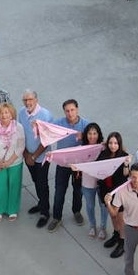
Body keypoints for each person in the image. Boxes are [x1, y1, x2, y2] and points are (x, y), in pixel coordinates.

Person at [44, 99, 90, 231]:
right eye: (67, 111)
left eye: (72, 110)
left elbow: (94, 141)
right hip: (63, 165)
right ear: (64, 112)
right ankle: (57, 218)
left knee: (78, 191)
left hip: (78, 167)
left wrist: (85, 138)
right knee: (59, 192)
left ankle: (76, 211)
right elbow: (47, 130)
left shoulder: (86, 125)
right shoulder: (59, 124)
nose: (70, 113)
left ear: (77, 109)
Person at [19, 90, 53, 224]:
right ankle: (41, 203)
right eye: (25, 100)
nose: (28, 102)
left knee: (42, 183)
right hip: (28, 155)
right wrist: (26, 154)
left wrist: (33, 157)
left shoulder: (45, 115)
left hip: (41, 157)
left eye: (30, 99)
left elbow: (47, 140)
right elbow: (20, 133)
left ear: (36, 99)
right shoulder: (22, 112)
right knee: (36, 180)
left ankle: (45, 212)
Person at [0, 103, 24, 220]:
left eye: (6, 112)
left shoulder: (18, 127)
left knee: (14, 186)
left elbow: (20, 147)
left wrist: (9, 162)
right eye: (1, 113)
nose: (4, 115)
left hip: (15, 162)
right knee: (0, 186)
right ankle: (0, 209)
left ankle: (12, 210)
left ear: (11, 114)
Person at [98, 132, 131, 255]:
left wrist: (126, 163)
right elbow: (96, 167)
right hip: (106, 190)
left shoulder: (123, 156)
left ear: (119, 144)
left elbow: (126, 174)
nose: (113, 145)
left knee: (120, 217)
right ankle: (116, 235)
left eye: (116, 143)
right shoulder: (103, 154)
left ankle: (122, 242)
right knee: (112, 215)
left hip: (118, 192)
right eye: (111, 143)